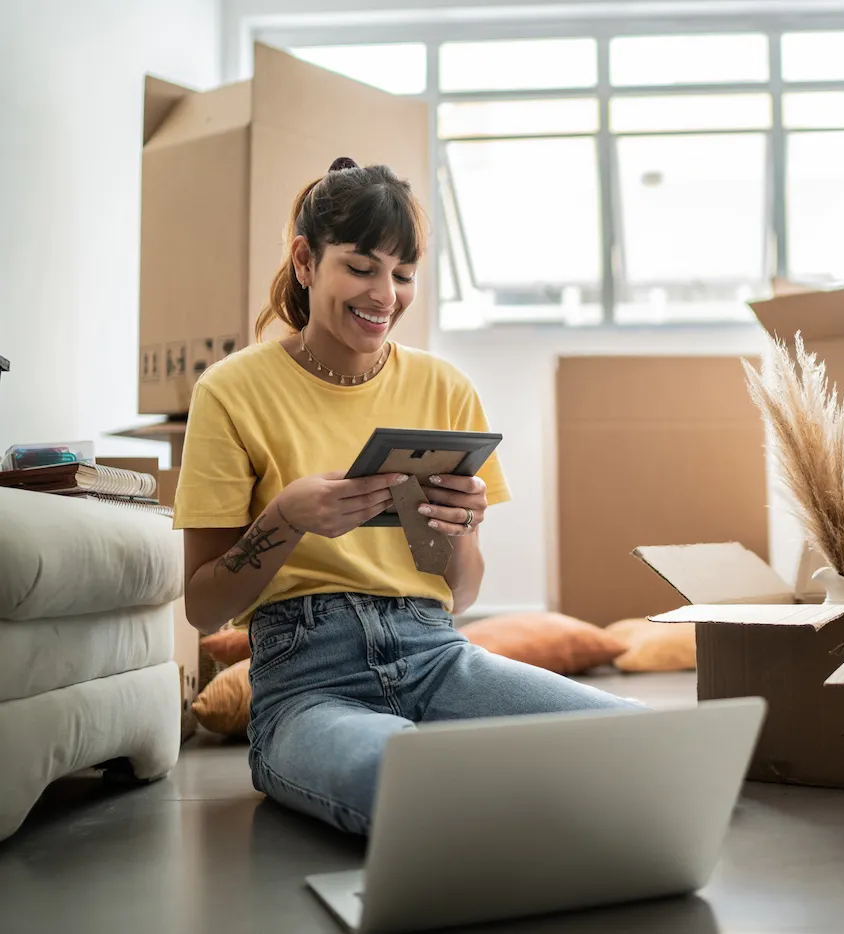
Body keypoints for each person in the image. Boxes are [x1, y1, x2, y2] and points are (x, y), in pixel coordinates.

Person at [175, 157, 636, 836]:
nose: (384, 294)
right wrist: (285, 519)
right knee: (406, 779)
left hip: (436, 654)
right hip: (307, 681)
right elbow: (203, 605)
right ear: (305, 261)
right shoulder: (230, 390)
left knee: (639, 745)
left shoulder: (445, 388)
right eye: (361, 268)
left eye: (403, 274)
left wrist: (446, 530)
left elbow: (465, 592)